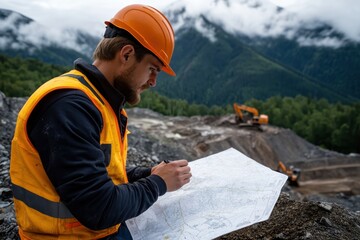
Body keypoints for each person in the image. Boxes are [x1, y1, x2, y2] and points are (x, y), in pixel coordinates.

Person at [10, 4, 192, 240]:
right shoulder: (69, 107)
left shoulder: (100, 102)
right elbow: (99, 208)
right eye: (152, 69)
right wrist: (158, 183)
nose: (154, 81)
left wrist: (147, 172)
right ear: (126, 55)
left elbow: (96, 173)